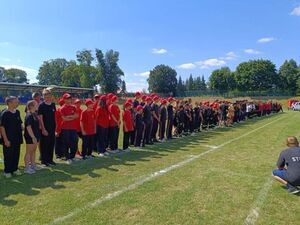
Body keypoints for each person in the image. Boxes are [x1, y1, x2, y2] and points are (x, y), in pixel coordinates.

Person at [0, 96, 23, 178]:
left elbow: (20, 123)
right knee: (8, 155)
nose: (18, 103)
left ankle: (15, 169)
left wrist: (23, 127)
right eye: (16, 102)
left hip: (17, 138)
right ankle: (7, 171)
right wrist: (5, 140)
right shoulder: (5, 113)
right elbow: (2, 127)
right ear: (9, 103)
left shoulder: (17, 112)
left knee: (16, 154)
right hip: (8, 138)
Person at [38, 88, 56, 167]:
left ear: (51, 96)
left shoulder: (53, 104)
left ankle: (50, 160)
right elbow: (40, 118)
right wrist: (43, 129)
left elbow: (55, 116)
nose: (47, 97)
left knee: (51, 144)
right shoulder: (41, 105)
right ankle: (44, 160)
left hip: (52, 128)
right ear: (43, 96)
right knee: (44, 144)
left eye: (48, 95)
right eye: (45, 95)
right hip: (45, 128)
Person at [60, 93, 79, 164]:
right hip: (65, 128)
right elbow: (64, 119)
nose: (69, 100)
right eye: (67, 98)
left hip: (73, 128)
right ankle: (67, 158)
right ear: (64, 99)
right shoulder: (62, 108)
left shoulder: (74, 107)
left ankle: (72, 156)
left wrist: (69, 117)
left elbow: (77, 116)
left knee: (75, 142)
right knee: (66, 143)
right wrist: (72, 116)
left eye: (70, 98)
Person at [24, 100, 41, 174]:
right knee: (28, 152)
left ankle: (33, 165)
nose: (38, 105)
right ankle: (27, 168)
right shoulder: (29, 115)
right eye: (36, 104)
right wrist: (33, 137)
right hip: (30, 136)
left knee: (33, 151)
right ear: (31, 106)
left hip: (36, 135)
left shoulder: (34, 114)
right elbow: (28, 127)